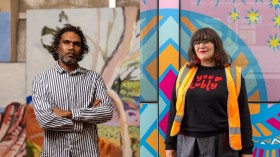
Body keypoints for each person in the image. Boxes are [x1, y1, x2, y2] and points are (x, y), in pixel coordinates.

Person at [165, 27, 253, 157]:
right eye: (196, 43)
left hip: (223, 144)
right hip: (187, 143)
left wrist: (247, 150)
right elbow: (173, 109)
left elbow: (243, 114)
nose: (201, 46)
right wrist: (170, 143)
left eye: (205, 41)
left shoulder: (233, 76)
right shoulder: (184, 74)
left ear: (215, 45)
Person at [32, 24, 113, 157]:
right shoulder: (41, 80)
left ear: (81, 50)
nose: (71, 47)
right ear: (56, 48)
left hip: (87, 153)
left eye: (76, 44)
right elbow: (45, 120)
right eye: (66, 42)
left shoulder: (94, 79)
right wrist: (86, 118)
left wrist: (69, 113)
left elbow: (107, 112)